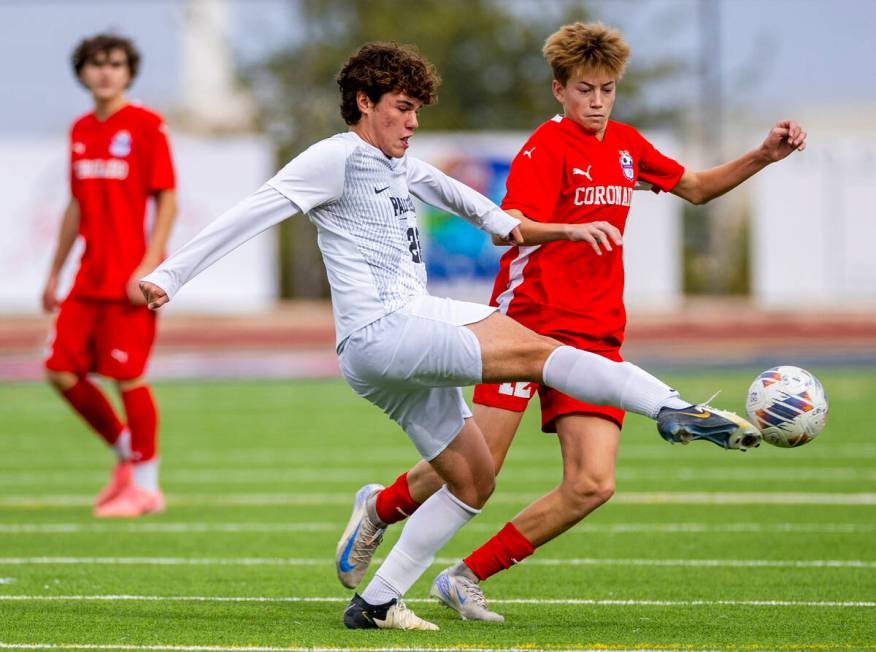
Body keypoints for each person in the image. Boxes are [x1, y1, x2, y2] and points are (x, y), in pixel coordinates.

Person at [139, 41, 758, 631]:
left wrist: (565, 231)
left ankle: (378, 602)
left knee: (473, 480)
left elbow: (490, 218)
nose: (412, 122)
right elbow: (252, 211)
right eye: (403, 108)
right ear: (363, 101)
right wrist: (169, 275)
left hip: (382, 355)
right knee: (543, 353)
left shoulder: (401, 164)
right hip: (390, 326)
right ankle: (673, 408)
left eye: (416, 110)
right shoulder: (333, 158)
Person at [334, 22, 808, 624]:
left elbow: (694, 186)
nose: (597, 102)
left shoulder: (628, 145)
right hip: (525, 326)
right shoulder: (545, 148)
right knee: (475, 469)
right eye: (585, 90)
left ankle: (465, 577)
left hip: (596, 333)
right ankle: (380, 509)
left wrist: (764, 155)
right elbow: (513, 222)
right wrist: (567, 229)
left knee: (592, 484)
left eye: (607, 90)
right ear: (560, 90)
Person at [42, 34, 177, 518]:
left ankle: (147, 488)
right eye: (96, 64)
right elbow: (76, 203)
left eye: (115, 64)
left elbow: (166, 197)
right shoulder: (79, 129)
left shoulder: (146, 126)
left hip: (128, 279)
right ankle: (125, 451)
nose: (105, 72)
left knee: (128, 377)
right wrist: (54, 272)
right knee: (58, 370)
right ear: (82, 72)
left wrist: (150, 264)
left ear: (128, 72)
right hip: (87, 278)